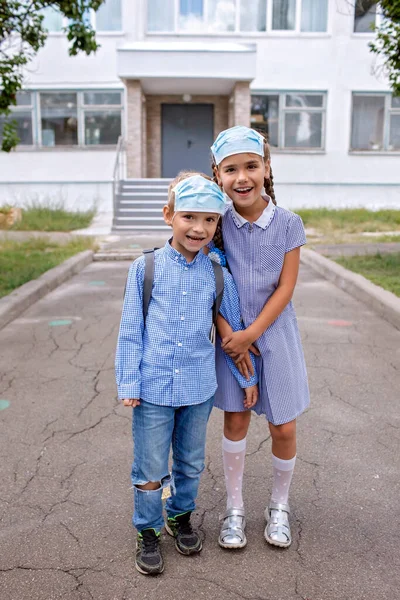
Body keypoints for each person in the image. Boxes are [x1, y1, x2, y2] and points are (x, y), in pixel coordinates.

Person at [115, 171, 258, 576]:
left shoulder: (217, 275)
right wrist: (128, 382)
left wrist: (248, 379)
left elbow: (233, 333)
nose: (199, 228)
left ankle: (179, 516)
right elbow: (130, 331)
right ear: (168, 215)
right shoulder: (145, 269)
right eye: (189, 217)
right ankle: (147, 530)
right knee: (149, 466)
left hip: (198, 388)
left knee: (191, 462)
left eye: (209, 220)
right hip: (153, 387)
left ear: (217, 225)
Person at [209, 126, 310, 550]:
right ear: (217, 176)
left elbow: (285, 289)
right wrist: (230, 334)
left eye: (251, 166)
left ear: (267, 168)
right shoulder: (214, 223)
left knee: (282, 424)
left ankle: (279, 505)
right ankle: (235, 508)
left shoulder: (288, 224)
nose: (242, 177)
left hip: (275, 337)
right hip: (231, 337)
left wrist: (253, 332)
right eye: (231, 169)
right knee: (236, 419)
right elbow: (207, 282)